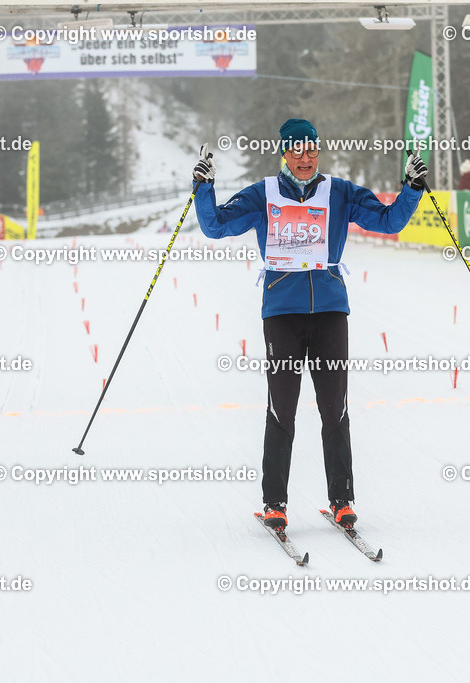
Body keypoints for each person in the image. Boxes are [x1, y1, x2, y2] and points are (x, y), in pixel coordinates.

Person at [191, 118, 427, 530]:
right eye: (297, 151)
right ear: (284, 153)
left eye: (311, 150)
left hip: (331, 311)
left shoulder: (339, 192)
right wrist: (203, 187)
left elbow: (388, 221)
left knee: (334, 406)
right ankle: (275, 503)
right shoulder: (262, 194)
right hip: (282, 313)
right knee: (282, 408)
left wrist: (411, 188)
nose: (305, 158)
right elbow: (214, 227)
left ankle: (342, 499)